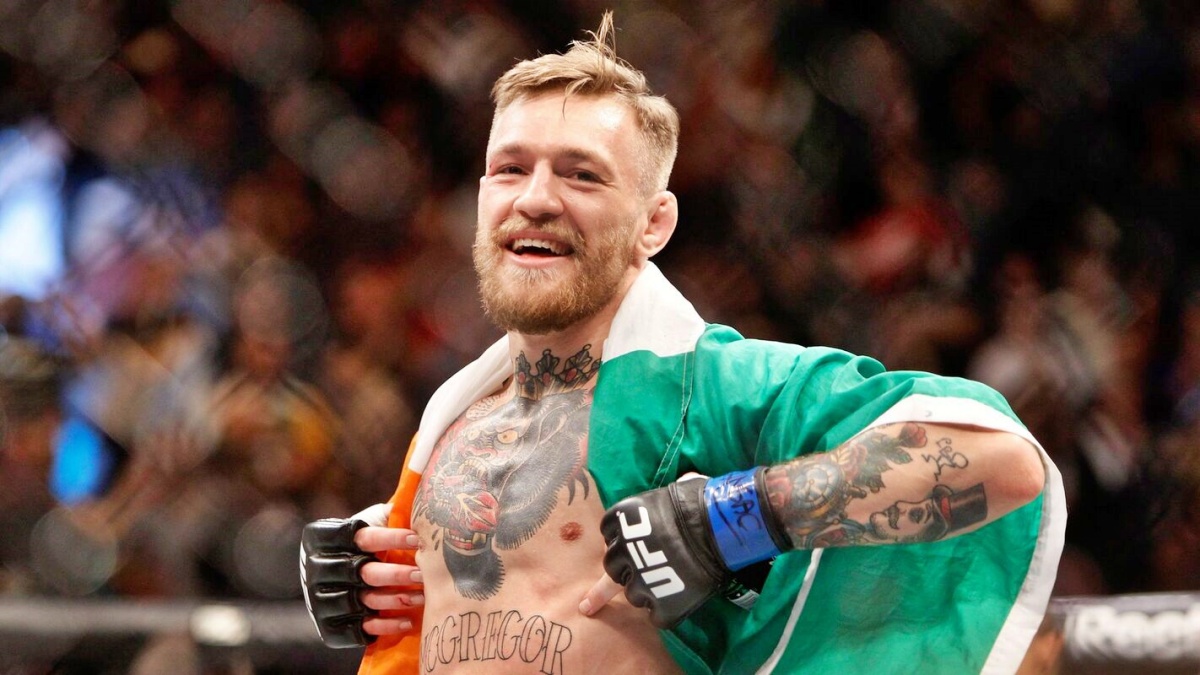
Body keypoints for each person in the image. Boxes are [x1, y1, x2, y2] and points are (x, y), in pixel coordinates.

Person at [301, 12, 1066, 674]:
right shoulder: (452, 425)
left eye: (581, 176)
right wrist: (370, 566)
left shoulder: (718, 384)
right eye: (511, 169)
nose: (535, 198)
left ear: (654, 224)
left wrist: (737, 518)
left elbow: (1001, 460)